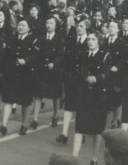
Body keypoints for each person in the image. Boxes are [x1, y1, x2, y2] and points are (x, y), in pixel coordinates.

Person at [72, 32, 112, 165]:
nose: (90, 41)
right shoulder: (82, 55)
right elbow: (77, 71)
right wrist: (84, 79)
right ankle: (74, 158)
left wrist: (96, 78)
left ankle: (94, 158)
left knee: (97, 130)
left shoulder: (105, 56)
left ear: (99, 41)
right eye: (88, 39)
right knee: (79, 127)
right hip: (83, 95)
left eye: (93, 39)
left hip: (99, 97)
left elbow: (107, 73)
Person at [0, 17, 38, 136]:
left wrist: (26, 60)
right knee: (8, 100)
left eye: (23, 25)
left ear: (29, 28)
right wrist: (2, 71)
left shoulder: (33, 40)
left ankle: (24, 124)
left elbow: (36, 56)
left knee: (25, 102)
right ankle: (4, 125)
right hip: (11, 74)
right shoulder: (11, 39)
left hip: (26, 75)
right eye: (19, 25)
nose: (20, 27)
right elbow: (5, 56)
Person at [56, 13, 89, 144]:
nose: (79, 28)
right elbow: (66, 59)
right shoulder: (71, 41)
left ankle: (82, 131)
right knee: (69, 106)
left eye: (81, 26)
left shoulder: (89, 41)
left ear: (86, 27)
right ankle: (64, 133)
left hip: (84, 80)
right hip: (71, 78)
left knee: (82, 106)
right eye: (77, 26)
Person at [31, 14, 64, 129]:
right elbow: (36, 53)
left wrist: (54, 63)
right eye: (47, 23)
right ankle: (35, 119)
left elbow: (60, 54)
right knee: (38, 94)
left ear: (56, 25)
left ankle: (55, 115)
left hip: (54, 70)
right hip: (41, 69)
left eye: (51, 23)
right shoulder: (41, 37)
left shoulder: (59, 38)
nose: (49, 25)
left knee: (55, 95)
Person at [102, 20, 125, 129]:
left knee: (117, 99)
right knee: (106, 97)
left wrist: (117, 66)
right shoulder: (104, 41)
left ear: (118, 29)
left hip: (117, 75)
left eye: (113, 26)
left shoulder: (121, 42)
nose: (111, 28)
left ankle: (115, 120)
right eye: (109, 26)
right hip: (106, 74)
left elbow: (123, 58)